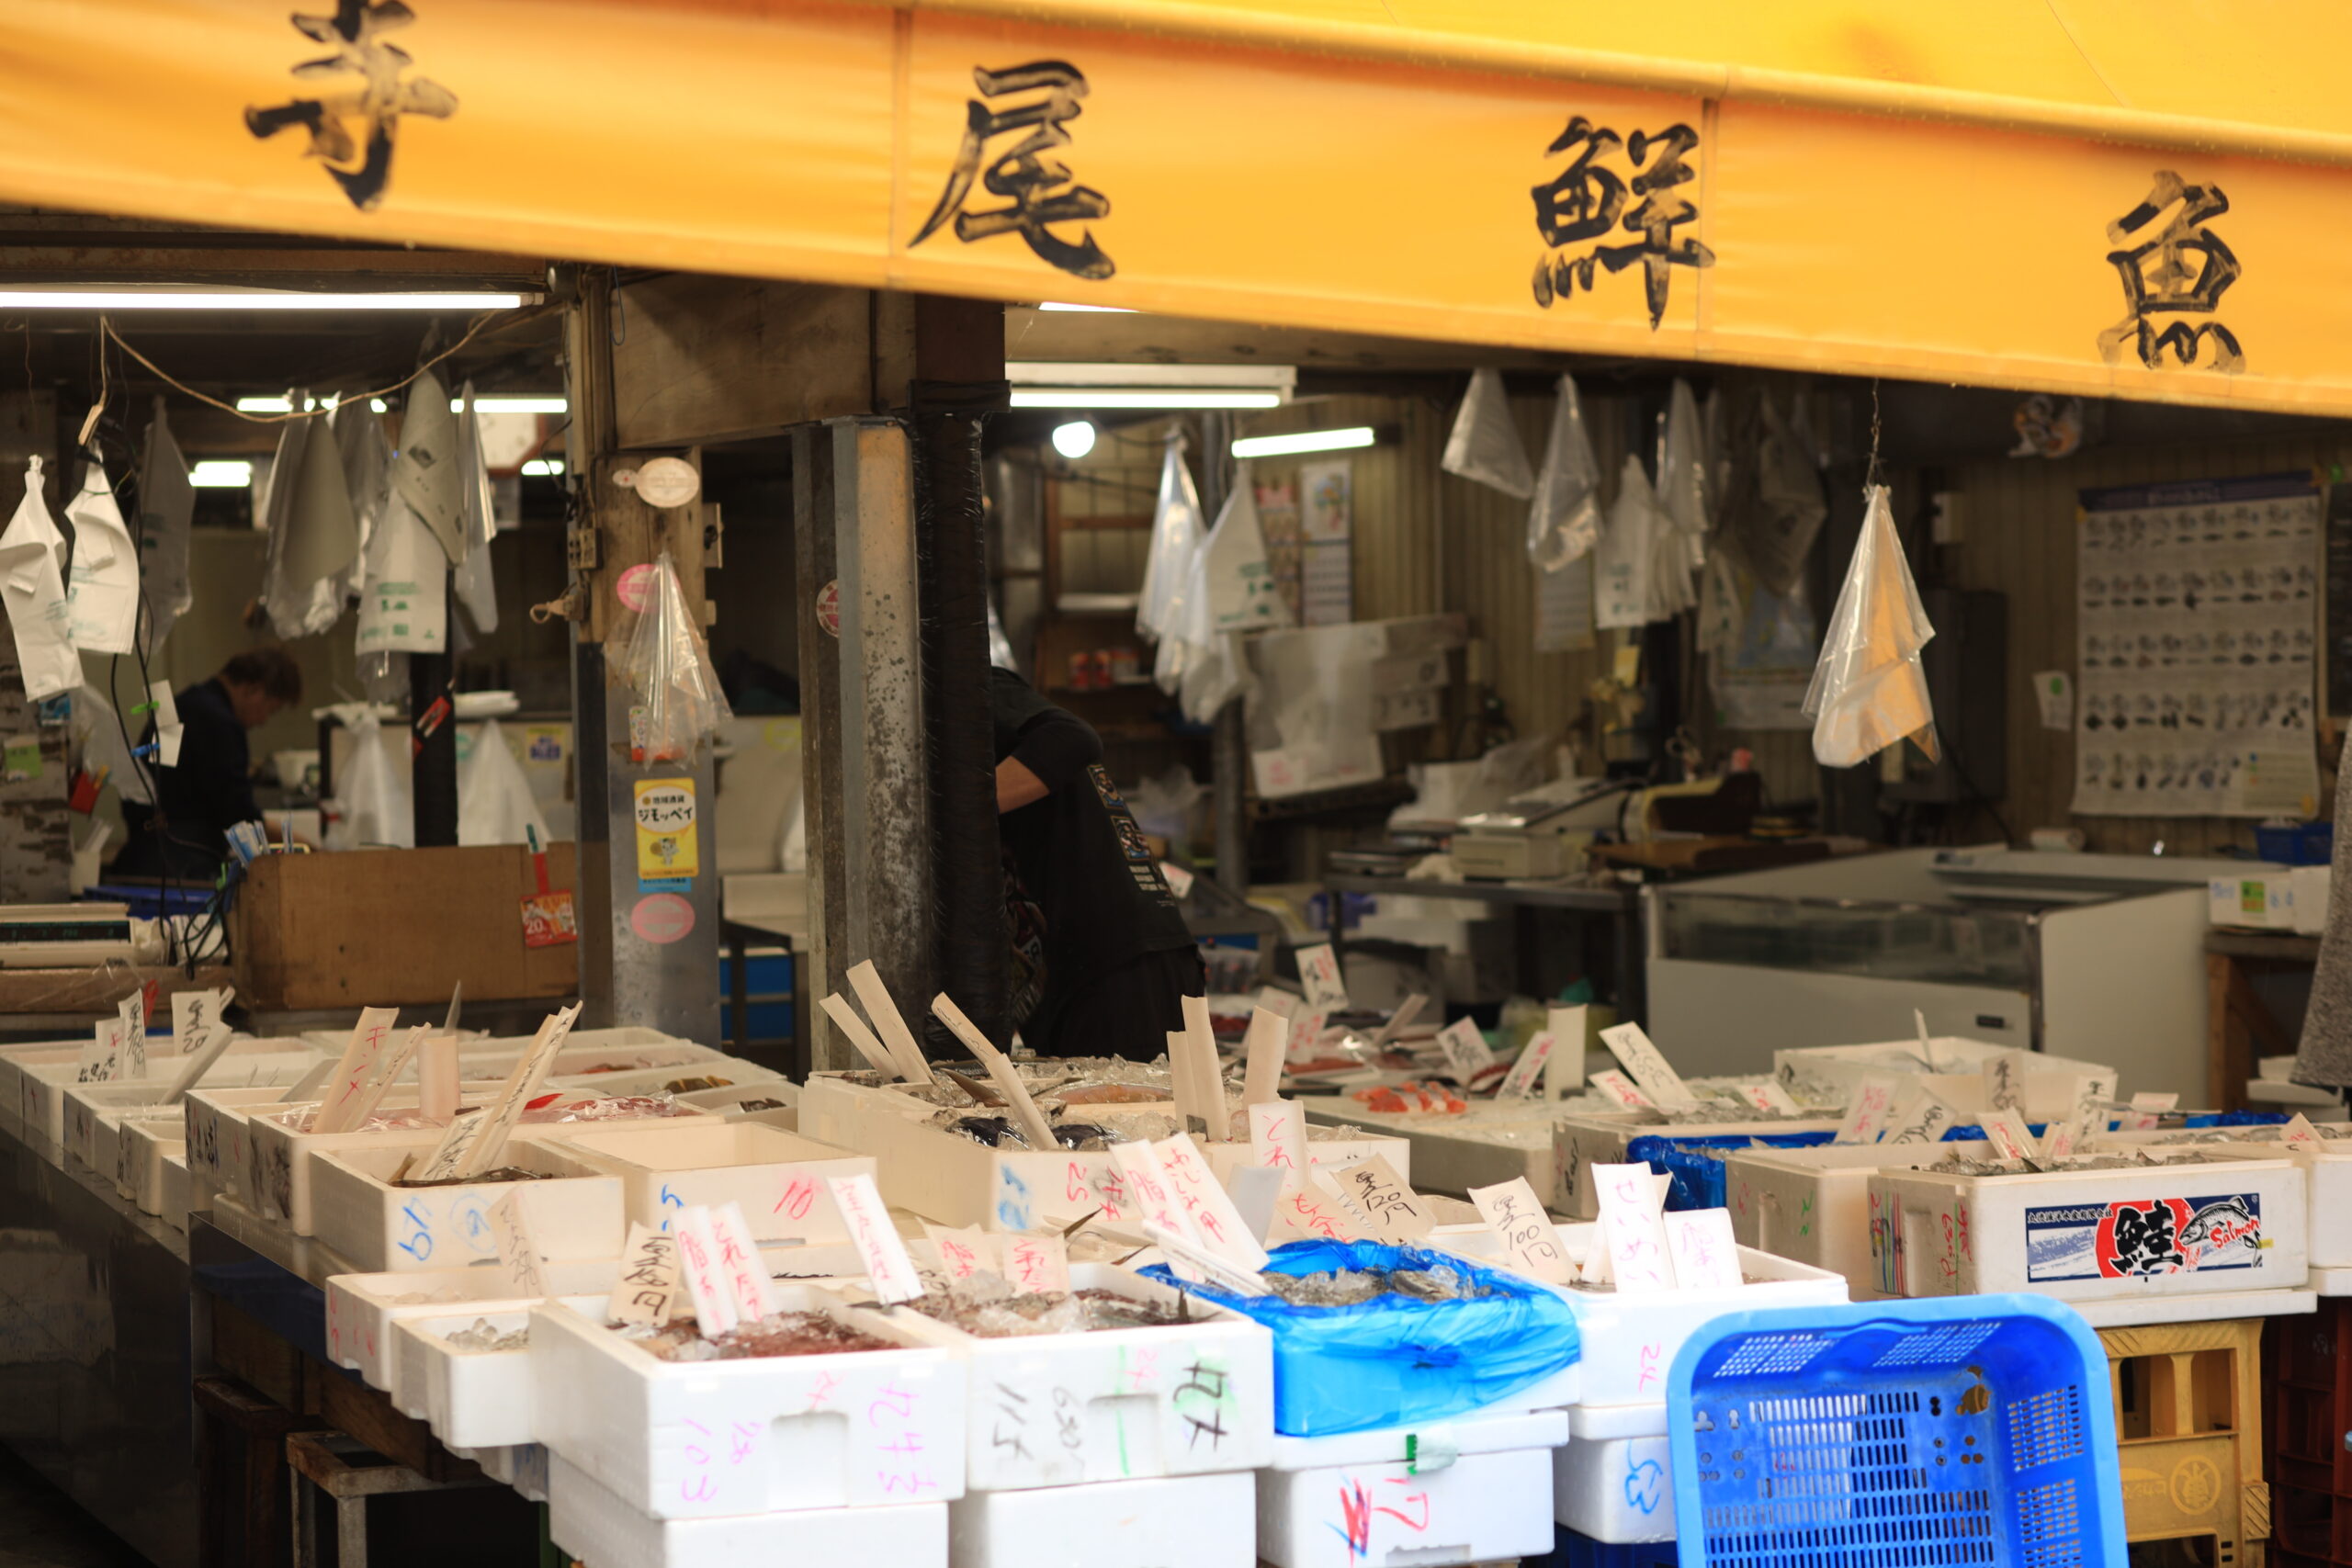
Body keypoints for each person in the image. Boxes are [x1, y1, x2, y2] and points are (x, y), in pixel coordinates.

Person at [991, 667, 1204, 1061]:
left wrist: (956, 810)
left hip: (1120, 971)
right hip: (1070, 979)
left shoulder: (965, 685)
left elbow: (1073, 738)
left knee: (1126, 1121)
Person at [109, 647, 302, 879]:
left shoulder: (177, 705)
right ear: (254, 690)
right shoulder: (222, 725)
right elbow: (238, 815)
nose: (262, 721)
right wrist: (302, 844)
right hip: (187, 869)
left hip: (140, 861)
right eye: (270, 710)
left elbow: (142, 790)